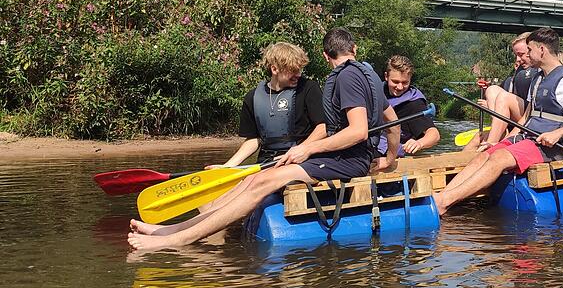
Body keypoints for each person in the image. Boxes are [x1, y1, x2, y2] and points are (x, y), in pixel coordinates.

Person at [127, 28, 400, 250]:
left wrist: (308, 150)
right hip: (346, 157)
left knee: (262, 181)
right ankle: (172, 229)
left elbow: (358, 131)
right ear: (354, 49)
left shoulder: (345, 77)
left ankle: (179, 239)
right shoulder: (371, 76)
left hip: (346, 159)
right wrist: (388, 159)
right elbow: (392, 123)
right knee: (253, 179)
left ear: (326, 55)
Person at [433, 28, 563, 215]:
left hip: (554, 145)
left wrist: (558, 134)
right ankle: (443, 196)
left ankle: (444, 202)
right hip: (529, 138)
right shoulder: (538, 79)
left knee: (499, 158)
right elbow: (525, 119)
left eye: (529, 50)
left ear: (542, 50)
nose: (526, 55)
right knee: (486, 154)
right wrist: (505, 141)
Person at [208, 43, 326, 169]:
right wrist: (227, 166)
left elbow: (323, 127)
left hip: (301, 159)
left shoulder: (308, 89)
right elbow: (253, 140)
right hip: (267, 161)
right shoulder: (252, 97)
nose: (298, 75)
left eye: (299, 70)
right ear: (274, 69)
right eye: (292, 70)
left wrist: (300, 150)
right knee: (246, 184)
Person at [464, 32, 540, 151]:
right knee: (492, 89)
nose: (517, 59)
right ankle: (456, 164)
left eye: (521, 54)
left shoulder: (541, 69)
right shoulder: (519, 72)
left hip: (531, 119)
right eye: (516, 55)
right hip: (513, 120)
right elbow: (502, 97)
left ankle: (491, 144)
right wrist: (488, 98)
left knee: (504, 97)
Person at [378, 55, 440, 156]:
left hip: (390, 155)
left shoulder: (413, 104)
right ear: (386, 76)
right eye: (395, 82)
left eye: (405, 82)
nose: (400, 87)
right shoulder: (376, 91)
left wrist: (419, 143)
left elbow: (434, 134)